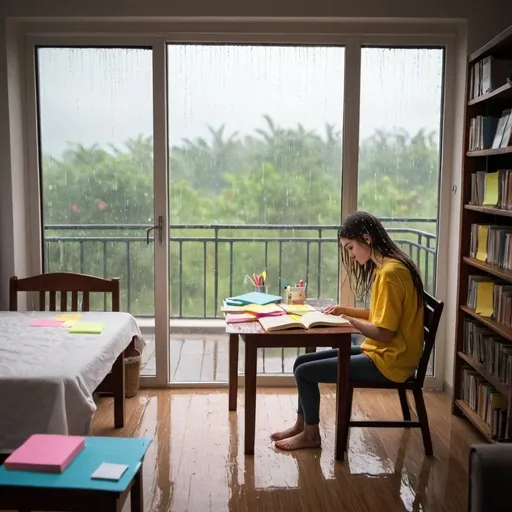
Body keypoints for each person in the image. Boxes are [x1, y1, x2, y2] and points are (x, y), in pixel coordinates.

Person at [271, 211, 425, 451]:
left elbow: (384, 333)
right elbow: (380, 316)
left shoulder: (391, 274)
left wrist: (350, 322)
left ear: (367, 238)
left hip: (390, 362)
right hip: (383, 354)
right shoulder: (389, 268)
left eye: (351, 248)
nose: (351, 256)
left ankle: (311, 435)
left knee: (304, 373)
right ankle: (302, 425)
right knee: (301, 362)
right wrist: (345, 311)